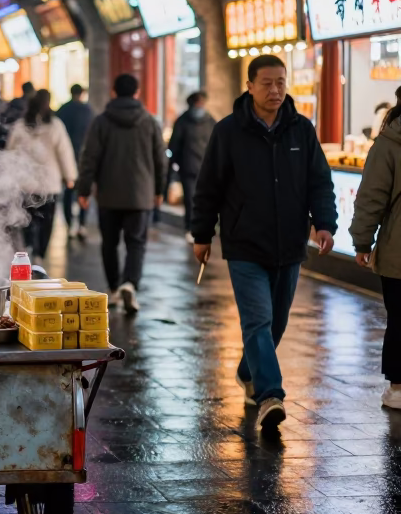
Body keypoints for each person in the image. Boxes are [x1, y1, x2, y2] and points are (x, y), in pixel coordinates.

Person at [192, 54, 336, 434]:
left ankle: (247, 371)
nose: (275, 90)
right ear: (250, 86)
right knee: (258, 320)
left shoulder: (301, 130)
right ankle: (270, 395)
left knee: (277, 323)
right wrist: (202, 234)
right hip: (244, 244)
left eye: (280, 82)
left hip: (290, 243)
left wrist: (324, 224)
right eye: (267, 83)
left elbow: (319, 181)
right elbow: (208, 188)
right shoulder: (228, 132)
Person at [75, 74, 166, 315]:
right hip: (141, 195)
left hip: (109, 194)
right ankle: (130, 283)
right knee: (136, 243)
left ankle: (115, 288)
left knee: (110, 243)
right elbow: (160, 160)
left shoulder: (102, 122)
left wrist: (83, 190)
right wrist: (159, 190)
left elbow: (89, 158)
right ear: (137, 93)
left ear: (113, 92)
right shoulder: (149, 121)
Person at [350, 85, 401, 410]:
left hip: (398, 252)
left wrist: (362, 241)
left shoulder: (389, 142)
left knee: (399, 318)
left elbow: (372, 196)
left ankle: (398, 388)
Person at [7, 89, 77, 265]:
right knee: (47, 221)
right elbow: (64, 152)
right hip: (49, 183)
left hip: (26, 182)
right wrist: (70, 176)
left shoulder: (21, 125)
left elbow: (10, 151)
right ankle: (40, 252)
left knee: (27, 219)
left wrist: (10, 175)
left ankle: (29, 246)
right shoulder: (55, 125)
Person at [168, 90, 217, 244]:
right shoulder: (182, 122)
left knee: (206, 201)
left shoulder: (211, 121)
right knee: (190, 200)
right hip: (188, 168)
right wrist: (175, 166)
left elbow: (218, 144)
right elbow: (174, 146)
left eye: (202, 103)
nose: (200, 106)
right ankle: (190, 228)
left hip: (207, 169)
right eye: (198, 103)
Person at [56, 84, 94, 241]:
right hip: (85, 158)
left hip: (67, 158)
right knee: (84, 192)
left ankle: (70, 224)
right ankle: (82, 225)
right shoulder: (88, 111)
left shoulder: (62, 110)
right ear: (82, 93)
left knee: (68, 192)